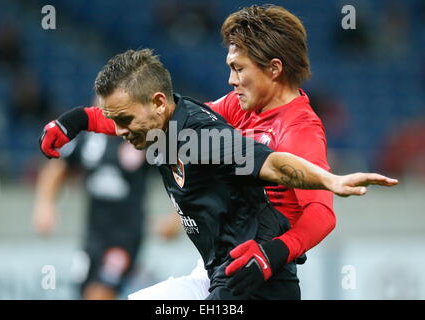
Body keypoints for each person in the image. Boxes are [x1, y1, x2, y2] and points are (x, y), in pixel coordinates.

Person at [39, 49, 397, 299]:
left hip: (251, 280)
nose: (230, 79)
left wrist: (330, 180)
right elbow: (129, 113)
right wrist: (77, 121)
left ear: (272, 68)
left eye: (238, 68)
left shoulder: (205, 136)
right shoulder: (172, 121)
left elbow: (274, 165)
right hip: (217, 271)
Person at [33, 130, 148, 300]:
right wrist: (44, 206)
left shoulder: (141, 138)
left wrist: (175, 219)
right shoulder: (89, 139)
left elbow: (177, 172)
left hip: (125, 237)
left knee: (100, 292)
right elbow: (57, 168)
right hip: (93, 237)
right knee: (85, 291)